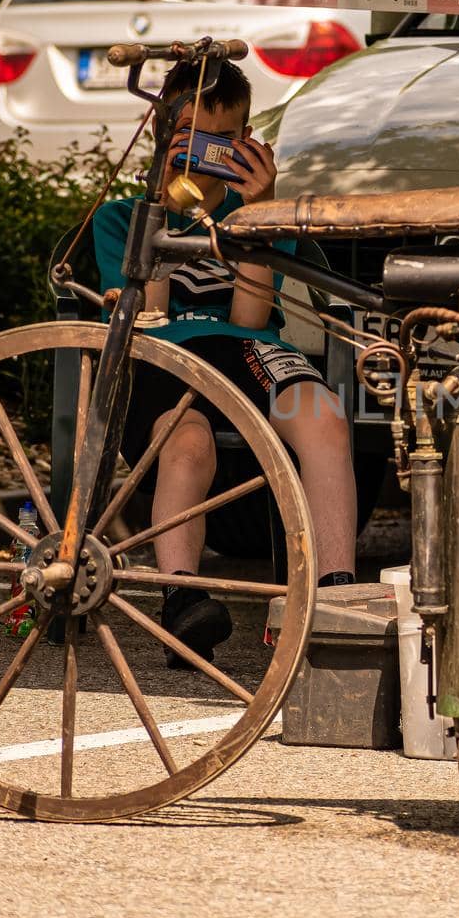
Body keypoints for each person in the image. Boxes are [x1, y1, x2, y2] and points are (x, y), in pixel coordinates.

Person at [92, 60, 357, 667]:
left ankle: (340, 594)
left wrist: (257, 211)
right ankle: (183, 600)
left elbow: (248, 319)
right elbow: (148, 314)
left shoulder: (257, 216)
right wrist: (161, 204)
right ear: (163, 136)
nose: (210, 155)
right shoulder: (124, 219)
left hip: (243, 350)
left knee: (323, 416)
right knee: (185, 443)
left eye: (225, 141)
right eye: (195, 139)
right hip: (164, 355)